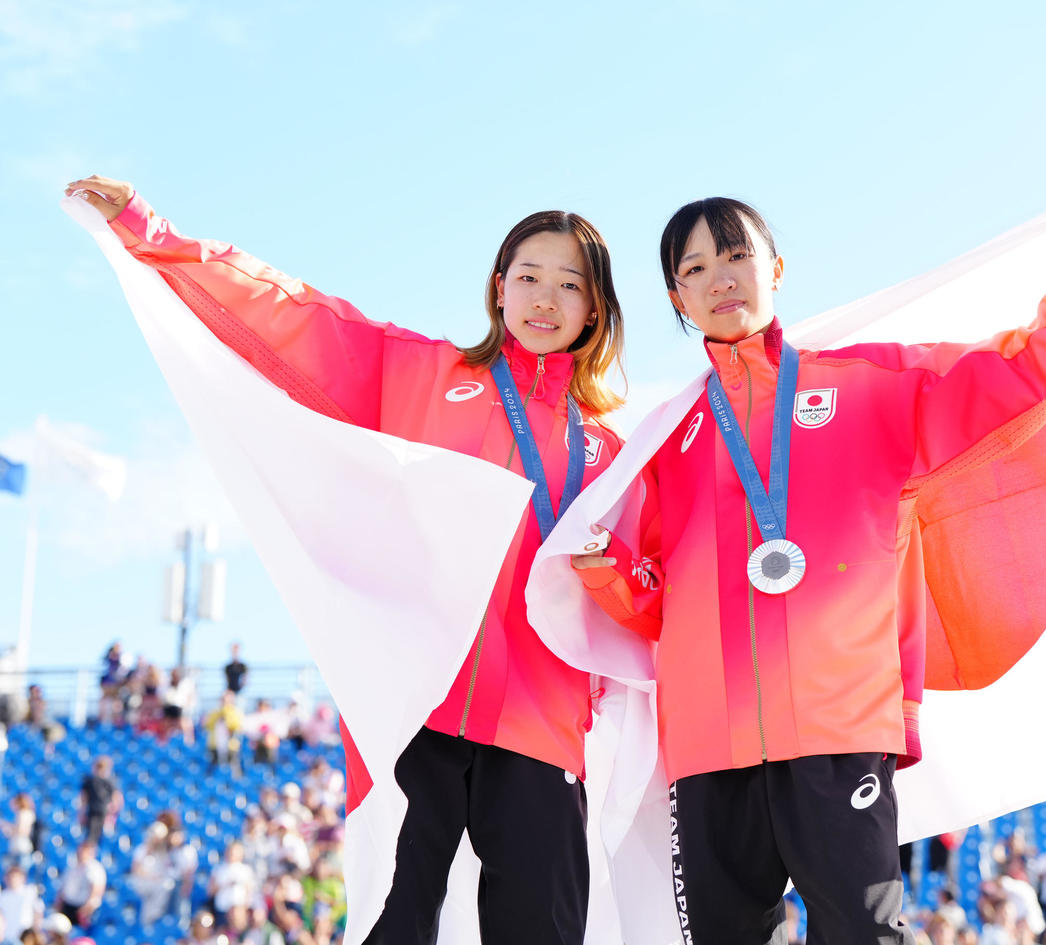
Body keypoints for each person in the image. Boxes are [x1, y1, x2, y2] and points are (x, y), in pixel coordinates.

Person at [571, 167, 1046, 942]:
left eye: (735, 255)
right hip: (708, 750)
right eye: (694, 269)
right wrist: (607, 572)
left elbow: (1020, 374)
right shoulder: (668, 438)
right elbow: (657, 600)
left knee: (863, 934)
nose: (719, 279)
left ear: (775, 268)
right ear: (677, 298)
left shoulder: (867, 387)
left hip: (839, 731)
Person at [66, 172, 628, 945]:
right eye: (529, 276)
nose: (545, 298)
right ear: (498, 289)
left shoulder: (615, 454)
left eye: (570, 284)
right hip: (414, 707)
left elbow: (650, 595)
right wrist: (153, 232)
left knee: (544, 930)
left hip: (541, 726)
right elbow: (294, 314)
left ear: (594, 308)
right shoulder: (425, 375)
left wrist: (614, 573)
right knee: (393, 925)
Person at [53, 843, 106, 930]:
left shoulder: (94, 869)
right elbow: (63, 888)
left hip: (83, 909)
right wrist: (59, 904)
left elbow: (97, 891)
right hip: (68, 905)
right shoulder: (72, 866)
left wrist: (86, 909)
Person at [76, 756, 120, 846]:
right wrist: (81, 813)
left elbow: (117, 799)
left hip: (104, 813)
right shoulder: (90, 781)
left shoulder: (109, 782)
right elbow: (84, 798)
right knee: (91, 838)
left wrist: (111, 815)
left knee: (102, 838)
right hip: (93, 812)